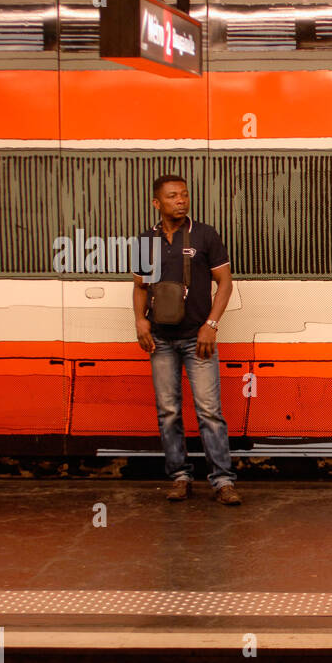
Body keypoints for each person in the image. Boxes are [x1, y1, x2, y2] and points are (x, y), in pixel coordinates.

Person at [132, 174, 241, 505]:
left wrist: (211, 324)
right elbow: (140, 287)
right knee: (168, 411)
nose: (181, 200)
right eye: (172, 196)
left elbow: (225, 283)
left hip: (198, 339)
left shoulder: (205, 234)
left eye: (184, 195)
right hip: (161, 340)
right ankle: (180, 477)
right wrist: (139, 321)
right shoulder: (147, 240)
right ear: (157, 203)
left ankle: (222, 481)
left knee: (209, 411)